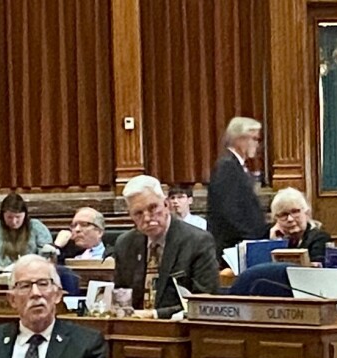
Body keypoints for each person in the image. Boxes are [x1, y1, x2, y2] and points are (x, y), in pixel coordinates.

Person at [113, 175, 219, 319]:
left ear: (166, 204)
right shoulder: (125, 244)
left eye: (152, 208)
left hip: (180, 330)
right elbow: (121, 296)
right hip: (133, 330)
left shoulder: (197, 241)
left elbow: (204, 301)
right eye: (138, 213)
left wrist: (154, 315)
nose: (147, 218)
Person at [207, 116, 268, 258]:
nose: (257, 144)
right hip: (234, 249)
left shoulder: (236, 166)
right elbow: (228, 211)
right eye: (254, 139)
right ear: (239, 139)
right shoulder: (227, 167)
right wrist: (252, 238)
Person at [0, 194, 52, 271]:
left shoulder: (36, 227)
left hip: (32, 272)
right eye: (9, 217)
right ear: (3, 215)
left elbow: (46, 255)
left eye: (18, 217)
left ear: (25, 215)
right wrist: (2, 269)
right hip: (0, 273)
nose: (14, 222)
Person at [268, 187, 332, 262]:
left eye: (295, 212)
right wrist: (275, 242)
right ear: (276, 219)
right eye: (283, 214)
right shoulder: (268, 235)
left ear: (306, 213)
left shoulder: (320, 238)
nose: (290, 219)